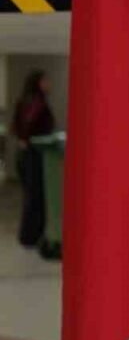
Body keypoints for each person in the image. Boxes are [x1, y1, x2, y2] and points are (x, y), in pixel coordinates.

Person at [10, 70, 54, 248]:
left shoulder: (24, 100)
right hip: (34, 154)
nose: (49, 83)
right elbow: (29, 122)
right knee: (35, 198)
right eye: (46, 80)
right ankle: (31, 237)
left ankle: (30, 236)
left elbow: (15, 126)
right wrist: (27, 138)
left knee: (31, 196)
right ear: (38, 83)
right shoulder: (37, 102)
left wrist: (22, 139)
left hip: (25, 153)